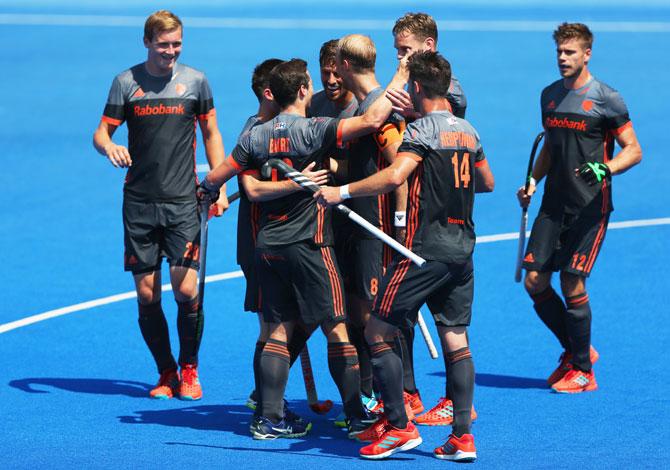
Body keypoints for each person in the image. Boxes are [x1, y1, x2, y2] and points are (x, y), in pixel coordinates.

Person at [198, 58, 409, 439]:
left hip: (268, 246)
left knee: (277, 331)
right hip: (311, 245)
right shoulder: (314, 130)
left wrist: (206, 191)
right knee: (337, 328)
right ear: (300, 92)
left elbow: (217, 176)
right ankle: (356, 415)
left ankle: (268, 418)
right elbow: (373, 120)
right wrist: (402, 74)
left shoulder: (254, 136)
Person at [315, 51, 494, 461]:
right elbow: (486, 182)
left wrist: (339, 192)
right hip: (462, 251)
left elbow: (395, 175)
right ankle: (462, 437)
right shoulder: (468, 131)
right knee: (455, 339)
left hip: (423, 253)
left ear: (415, 87)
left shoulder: (421, 130)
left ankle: (398, 425)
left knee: (378, 331)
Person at [92, 10, 228, 401]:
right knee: (148, 295)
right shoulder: (126, 83)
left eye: (177, 44)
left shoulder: (196, 82)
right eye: (163, 44)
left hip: (184, 200)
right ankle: (166, 371)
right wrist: (110, 146)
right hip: (139, 203)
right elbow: (101, 133)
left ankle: (189, 367)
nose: (171, 51)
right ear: (147, 42)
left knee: (185, 289)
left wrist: (217, 183)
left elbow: (211, 132)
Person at [517, 22, 642, 394]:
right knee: (534, 281)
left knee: (572, 281)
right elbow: (551, 149)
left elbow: (633, 150)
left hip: (590, 208)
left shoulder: (607, 98)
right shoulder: (549, 97)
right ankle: (576, 350)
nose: (562, 58)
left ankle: (584, 371)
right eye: (559, 52)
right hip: (552, 205)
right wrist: (532, 181)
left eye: (570, 52)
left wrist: (607, 167)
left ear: (587, 54)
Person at [387, 11, 475, 426]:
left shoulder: (445, 92)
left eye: (406, 51)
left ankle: (400, 418)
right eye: (397, 52)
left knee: (382, 320)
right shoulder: (421, 86)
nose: (400, 59)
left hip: (428, 226)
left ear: (428, 47)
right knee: (450, 330)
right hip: (454, 237)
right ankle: (455, 420)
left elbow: (419, 149)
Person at [238, 59, 330, 432]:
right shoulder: (259, 131)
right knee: (273, 327)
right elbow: (251, 186)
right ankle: (266, 409)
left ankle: (267, 401)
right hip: (266, 240)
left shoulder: (265, 130)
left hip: (273, 239)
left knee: (291, 322)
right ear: (270, 93)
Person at [334, 34, 412, 419]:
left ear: (345, 66)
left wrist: (398, 226)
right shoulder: (361, 107)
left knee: (374, 319)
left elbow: (399, 170)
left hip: (375, 229)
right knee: (357, 314)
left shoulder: (382, 109)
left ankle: (397, 404)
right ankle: (375, 400)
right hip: (354, 226)